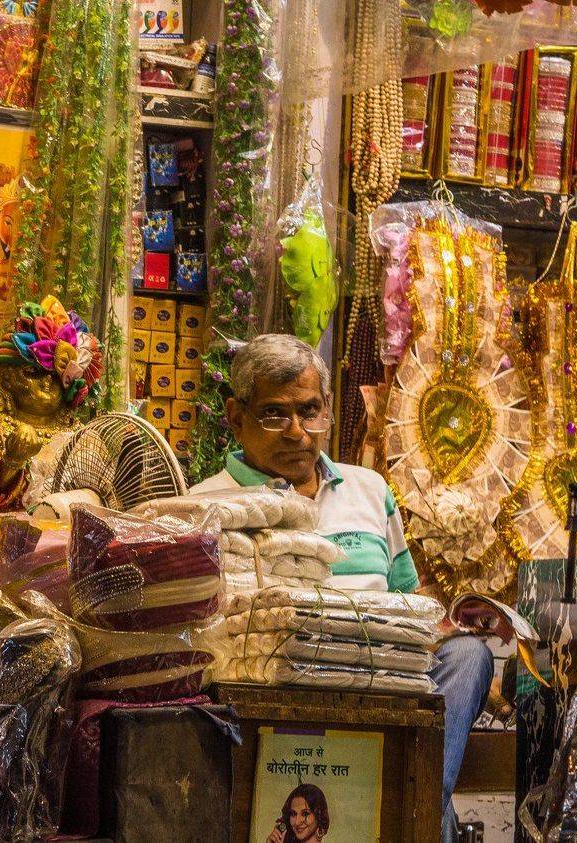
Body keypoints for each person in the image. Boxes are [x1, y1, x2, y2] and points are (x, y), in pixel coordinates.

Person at [191, 334, 494, 841]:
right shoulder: (205, 506)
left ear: (328, 410)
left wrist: (453, 622)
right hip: (271, 692)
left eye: (309, 411)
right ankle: (423, 816)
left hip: (383, 682)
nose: (296, 432)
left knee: (468, 656)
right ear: (236, 417)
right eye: (274, 414)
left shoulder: (370, 489)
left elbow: (409, 605)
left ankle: (423, 799)